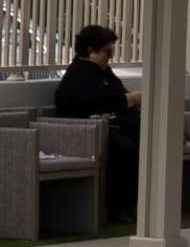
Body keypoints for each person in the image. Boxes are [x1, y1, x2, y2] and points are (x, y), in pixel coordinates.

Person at [56, 24, 137, 221]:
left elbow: (118, 95)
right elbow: (100, 102)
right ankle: (117, 207)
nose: (109, 57)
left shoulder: (103, 71)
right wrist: (129, 100)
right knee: (124, 148)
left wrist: (129, 101)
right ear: (91, 51)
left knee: (141, 136)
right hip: (84, 130)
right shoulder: (80, 74)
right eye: (106, 52)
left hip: (108, 125)